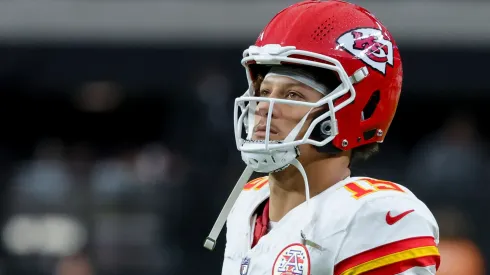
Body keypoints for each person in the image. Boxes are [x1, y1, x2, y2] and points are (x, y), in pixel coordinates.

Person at [204, 1, 440, 274]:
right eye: (265, 92)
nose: (265, 107)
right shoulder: (248, 203)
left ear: (349, 113)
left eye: (293, 95)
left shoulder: (377, 216)